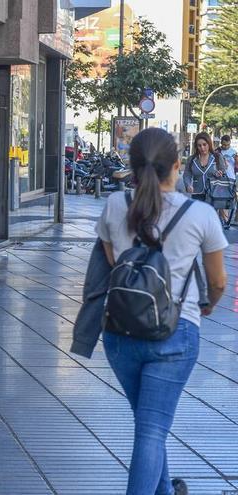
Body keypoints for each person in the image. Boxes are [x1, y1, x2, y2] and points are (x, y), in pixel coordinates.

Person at [96, 128, 228, 494]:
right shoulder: (200, 214)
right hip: (175, 333)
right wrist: (208, 306)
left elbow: (113, 261)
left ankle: (166, 491)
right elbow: (218, 282)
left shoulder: (115, 205)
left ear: (133, 166)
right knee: (152, 430)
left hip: (120, 333)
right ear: (177, 165)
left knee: (148, 424)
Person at [182, 132, 225, 201]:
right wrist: (188, 185)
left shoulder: (217, 157)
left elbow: (224, 174)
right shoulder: (191, 159)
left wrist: (219, 174)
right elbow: (187, 174)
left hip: (214, 195)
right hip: (197, 195)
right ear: (196, 146)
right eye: (199, 145)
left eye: (204, 144)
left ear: (209, 144)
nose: (202, 148)